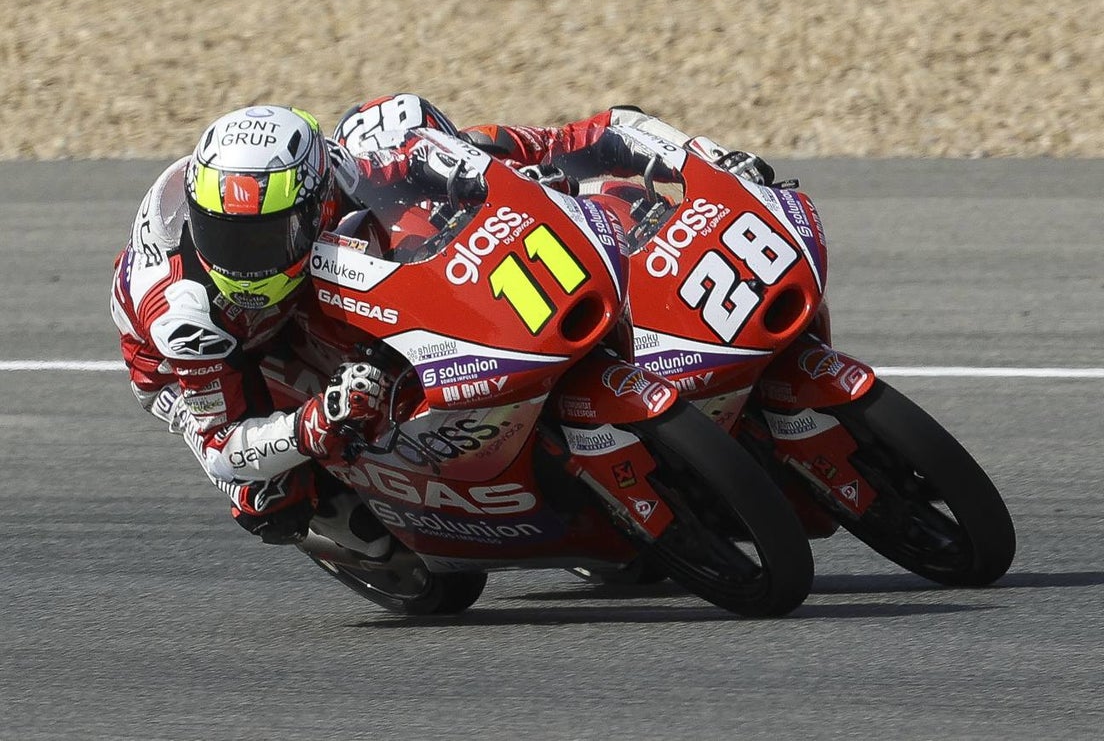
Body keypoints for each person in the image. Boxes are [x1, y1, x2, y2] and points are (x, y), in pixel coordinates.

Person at [109, 104, 482, 555]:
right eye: (225, 238)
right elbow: (223, 449)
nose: (242, 264)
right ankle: (378, 537)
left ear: (314, 204)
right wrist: (319, 420)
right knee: (269, 498)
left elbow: (401, 168)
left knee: (402, 121)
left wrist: (464, 175)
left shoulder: (323, 171)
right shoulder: (183, 316)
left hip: (293, 294)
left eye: (265, 239)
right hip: (184, 365)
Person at [334, 94, 777, 192]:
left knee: (611, 193)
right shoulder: (354, 243)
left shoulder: (486, 144)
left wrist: (705, 159)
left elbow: (606, 130)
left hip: (585, 274)